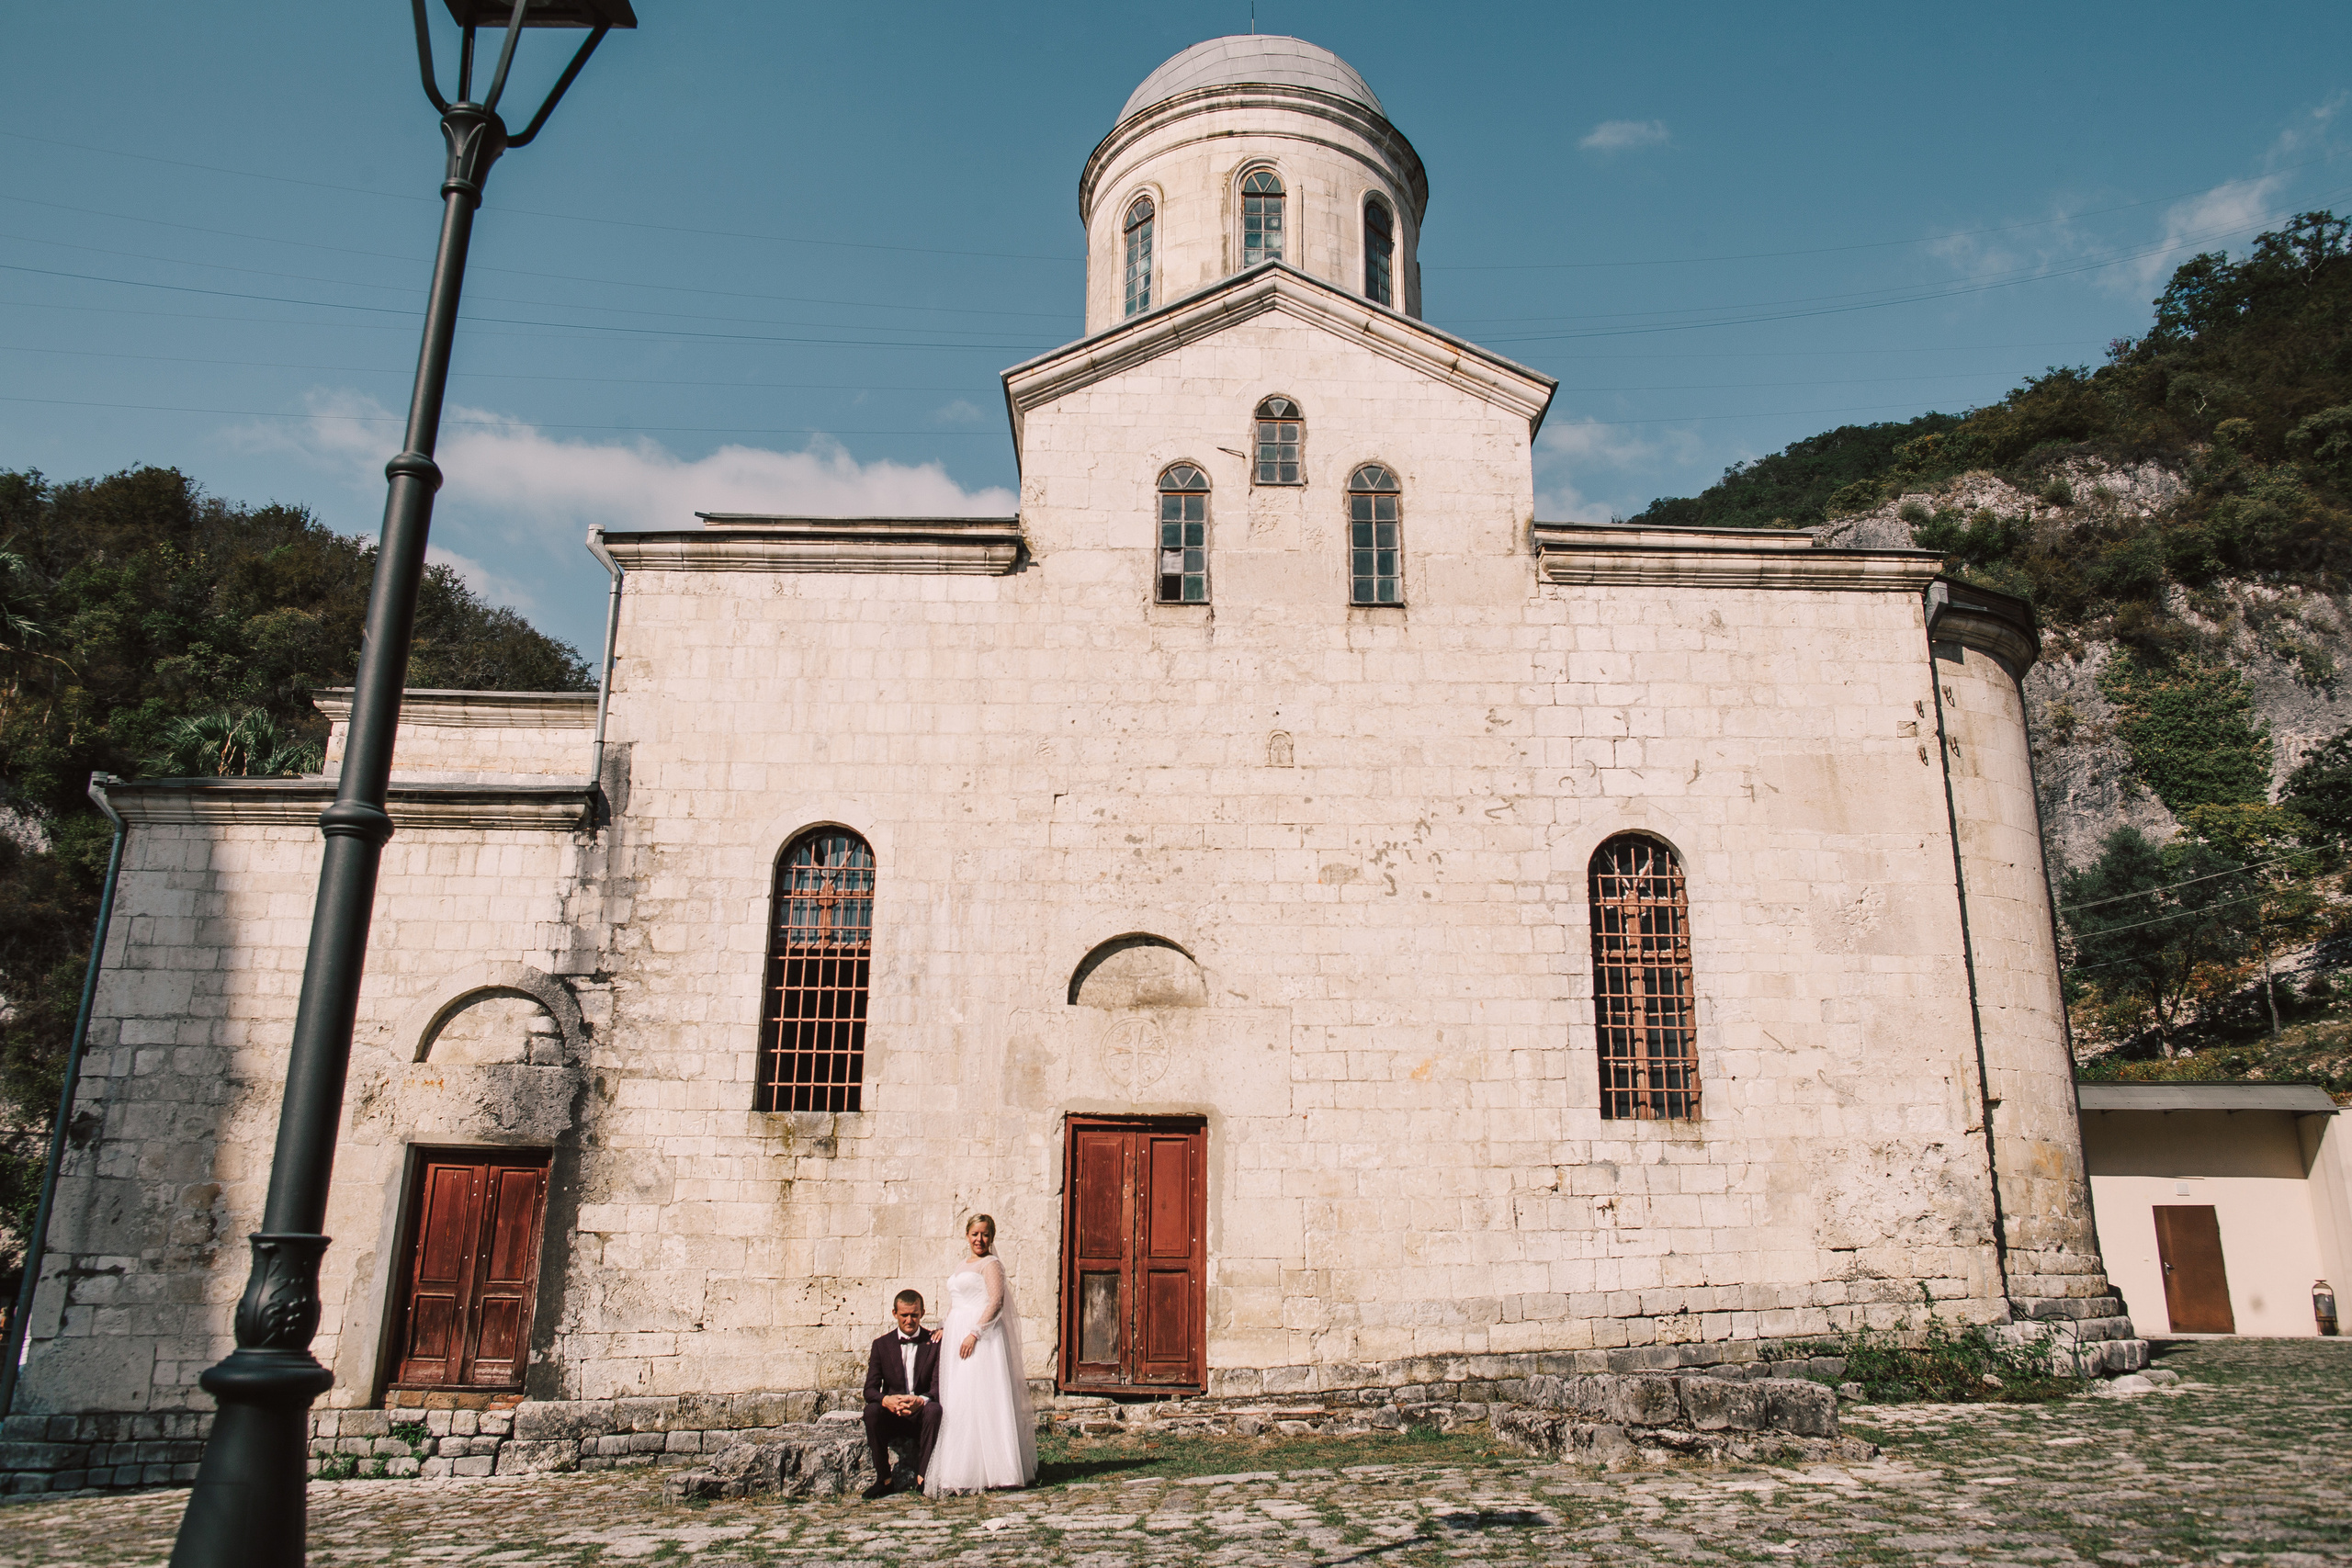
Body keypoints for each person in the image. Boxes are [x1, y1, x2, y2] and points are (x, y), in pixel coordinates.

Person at [924, 1213, 1038, 1495]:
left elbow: (996, 1301)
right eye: (975, 1234)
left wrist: (975, 1333)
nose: (980, 1239)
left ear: (992, 1237)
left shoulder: (991, 1264)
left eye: (985, 1234)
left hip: (981, 1338)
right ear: (967, 1235)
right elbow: (956, 1302)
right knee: (960, 1399)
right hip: (957, 1335)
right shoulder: (962, 1264)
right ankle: (960, 1470)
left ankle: (999, 1470)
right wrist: (944, 1328)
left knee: (982, 1397)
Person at [859, 1288, 943, 1500]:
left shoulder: (934, 1342)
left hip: (920, 1414)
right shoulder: (881, 1345)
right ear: (894, 1313)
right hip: (893, 1415)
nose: (909, 1320)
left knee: (934, 1409)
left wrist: (921, 1401)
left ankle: (923, 1478)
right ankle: (884, 1480)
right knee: (871, 1412)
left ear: (922, 1313)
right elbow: (869, 1390)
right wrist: (886, 1400)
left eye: (914, 1315)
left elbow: (937, 1387)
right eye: (904, 1315)